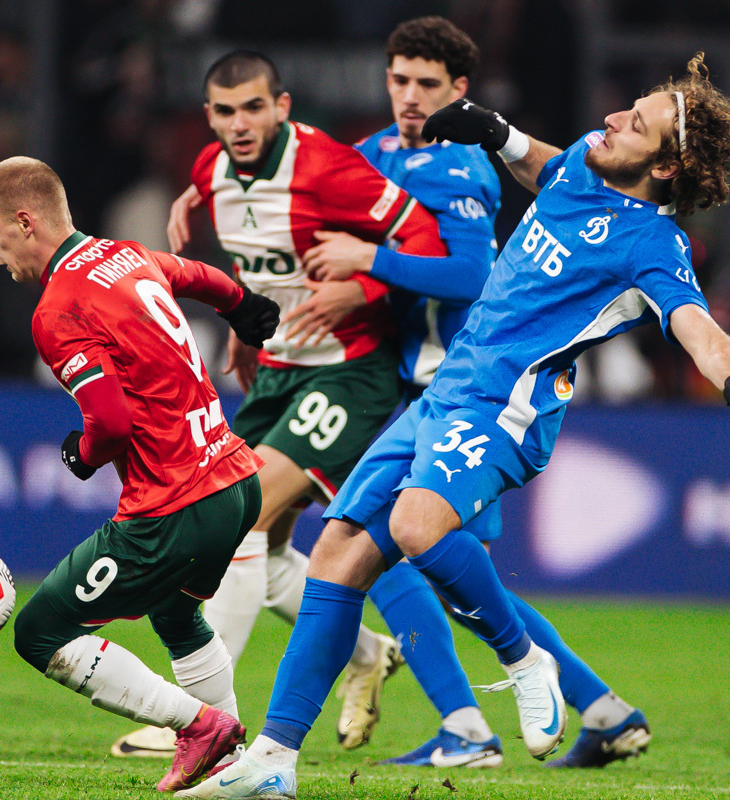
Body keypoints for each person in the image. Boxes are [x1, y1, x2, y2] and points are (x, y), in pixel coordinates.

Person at [179, 53, 730, 799]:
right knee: (338, 554)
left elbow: (695, 324)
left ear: (669, 166)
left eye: (635, 122)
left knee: (420, 529)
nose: (612, 119)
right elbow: (551, 168)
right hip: (445, 387)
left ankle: (524, 665)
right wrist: (500, 133)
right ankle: (272, 762)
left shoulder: (653, 244)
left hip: (505, 407)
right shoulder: (591, 157)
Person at [290, 15, 650, 769]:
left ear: (459, 90)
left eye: (428, 83)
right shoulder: (374, 155)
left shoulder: (462, 167)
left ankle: (470, 726)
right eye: (399, 80)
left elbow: (470, 278)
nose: (410, 96)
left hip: (473, 398)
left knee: (407, 562)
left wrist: (371, 262)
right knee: (439, 570)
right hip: (414, 390)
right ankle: (601, 710)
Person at [110, 49, 452, 761]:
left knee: (240, 514)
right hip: (278, 371)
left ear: (283, 106)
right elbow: (252, 257)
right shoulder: (208, 171)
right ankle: (365, 655)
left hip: (350, 374)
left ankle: (205, 719)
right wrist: (245, 328)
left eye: (254, 108)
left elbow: (421, 232)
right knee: (263, 556)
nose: (241, 124)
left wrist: (367, 288)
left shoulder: (325, 167)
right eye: (226, 112)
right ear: (209, 117)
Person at [0, 156, 283, 792]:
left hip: (174, 506)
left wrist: (78, 456)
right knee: (176, 616)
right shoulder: (126, 255)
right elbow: (193, 272)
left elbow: (109, 424)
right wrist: (244, 306)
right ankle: (239, 772)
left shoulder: (58, 310)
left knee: (38, 632)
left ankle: (199, 727)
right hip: (235, 480)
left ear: (25, 223)